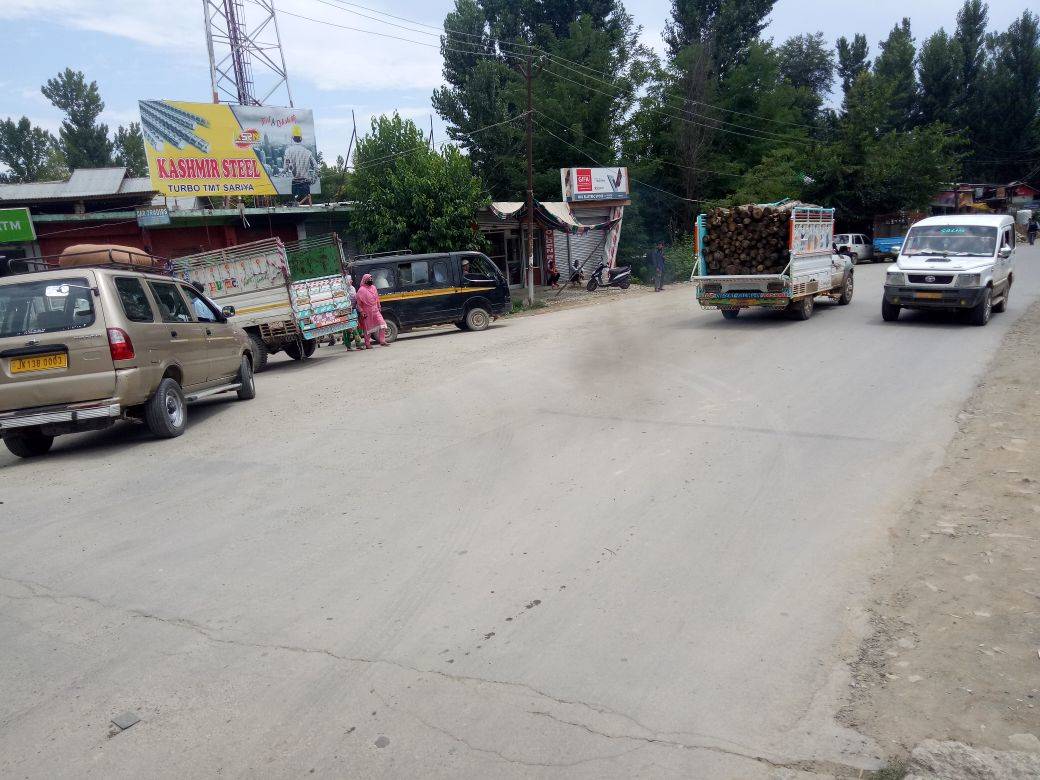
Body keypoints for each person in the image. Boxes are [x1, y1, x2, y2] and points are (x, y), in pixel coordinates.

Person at [282, 124, 318, 204]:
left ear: (292, 138)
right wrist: (313, 179)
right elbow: (316, 167)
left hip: (295, 183)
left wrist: (285, 171)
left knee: (296, 207)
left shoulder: (288, 151)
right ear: (301, 138)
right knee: (307, 207)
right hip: (305, 183)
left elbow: (285, 168)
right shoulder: (307, 152)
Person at [355, 273, 388, 349]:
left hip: (375, 309)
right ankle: (367, 343)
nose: (371, 280)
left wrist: (379, 306)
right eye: (369, 279)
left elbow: (377, 298)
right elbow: (359, 304)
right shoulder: (361, 291)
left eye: (371, 279)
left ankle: (382, 341)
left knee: (382, 324)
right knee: (368, 329)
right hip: (367, 311)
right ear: (365, 280)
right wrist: (362, 312)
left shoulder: (373, 287)